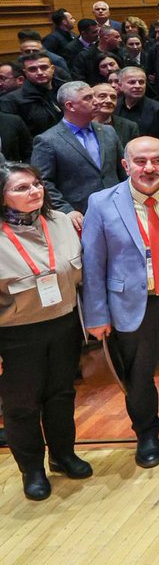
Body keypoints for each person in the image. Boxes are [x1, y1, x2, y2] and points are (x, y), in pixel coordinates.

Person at [81, 137, 159, 469]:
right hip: (132, 303)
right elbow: (92, 264)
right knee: (138, 374)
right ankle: (146, 433)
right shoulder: (101, 202)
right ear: (126, 165)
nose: (148, 168)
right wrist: (96, 314)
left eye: (156, 161)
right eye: (140, 161)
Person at [0, 162, 89, 500]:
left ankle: (63, 455)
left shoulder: (62, 223)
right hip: (15, 336)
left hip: (64, 325)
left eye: (36, 184)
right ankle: (32, 469)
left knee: (61, 395)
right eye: (21, 188)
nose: (34, 191)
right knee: (22, 404)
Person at [31, 81, 123, 230]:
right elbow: (43, 182)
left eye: (94, 96)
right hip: (79, 217)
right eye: (88, 98)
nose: (96, 101)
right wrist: (66, 210)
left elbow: (124, 169)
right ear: (70, 106)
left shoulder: (108, 132)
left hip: (118, 208)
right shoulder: (47, 140)